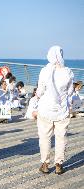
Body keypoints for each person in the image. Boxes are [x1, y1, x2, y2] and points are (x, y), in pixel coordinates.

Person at [36, 45, 74, 175]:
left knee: (45, 137)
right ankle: (59, 164)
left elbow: (40, 91)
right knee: (61, 137)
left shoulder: (44, 71)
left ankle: (45, 164)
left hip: (45, 110)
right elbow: (70, 92)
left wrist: (37, 97)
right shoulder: (68, 71)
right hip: (62, 110)